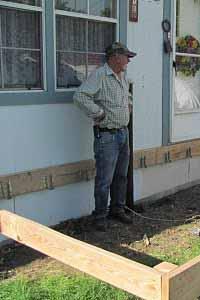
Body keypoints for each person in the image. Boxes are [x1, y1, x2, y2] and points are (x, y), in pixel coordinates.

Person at [74, 42, 136, 231]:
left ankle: (117, 209)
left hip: (123, 133)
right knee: (104, 179)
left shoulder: (122, 76)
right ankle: (100, 216)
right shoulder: (100, 75)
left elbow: (127, 97)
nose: (128, 60)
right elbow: (80, 96)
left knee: (121, 176)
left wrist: (129, 106)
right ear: (115, 57)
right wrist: (98, 113)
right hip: (107, 136)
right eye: (126, 57)